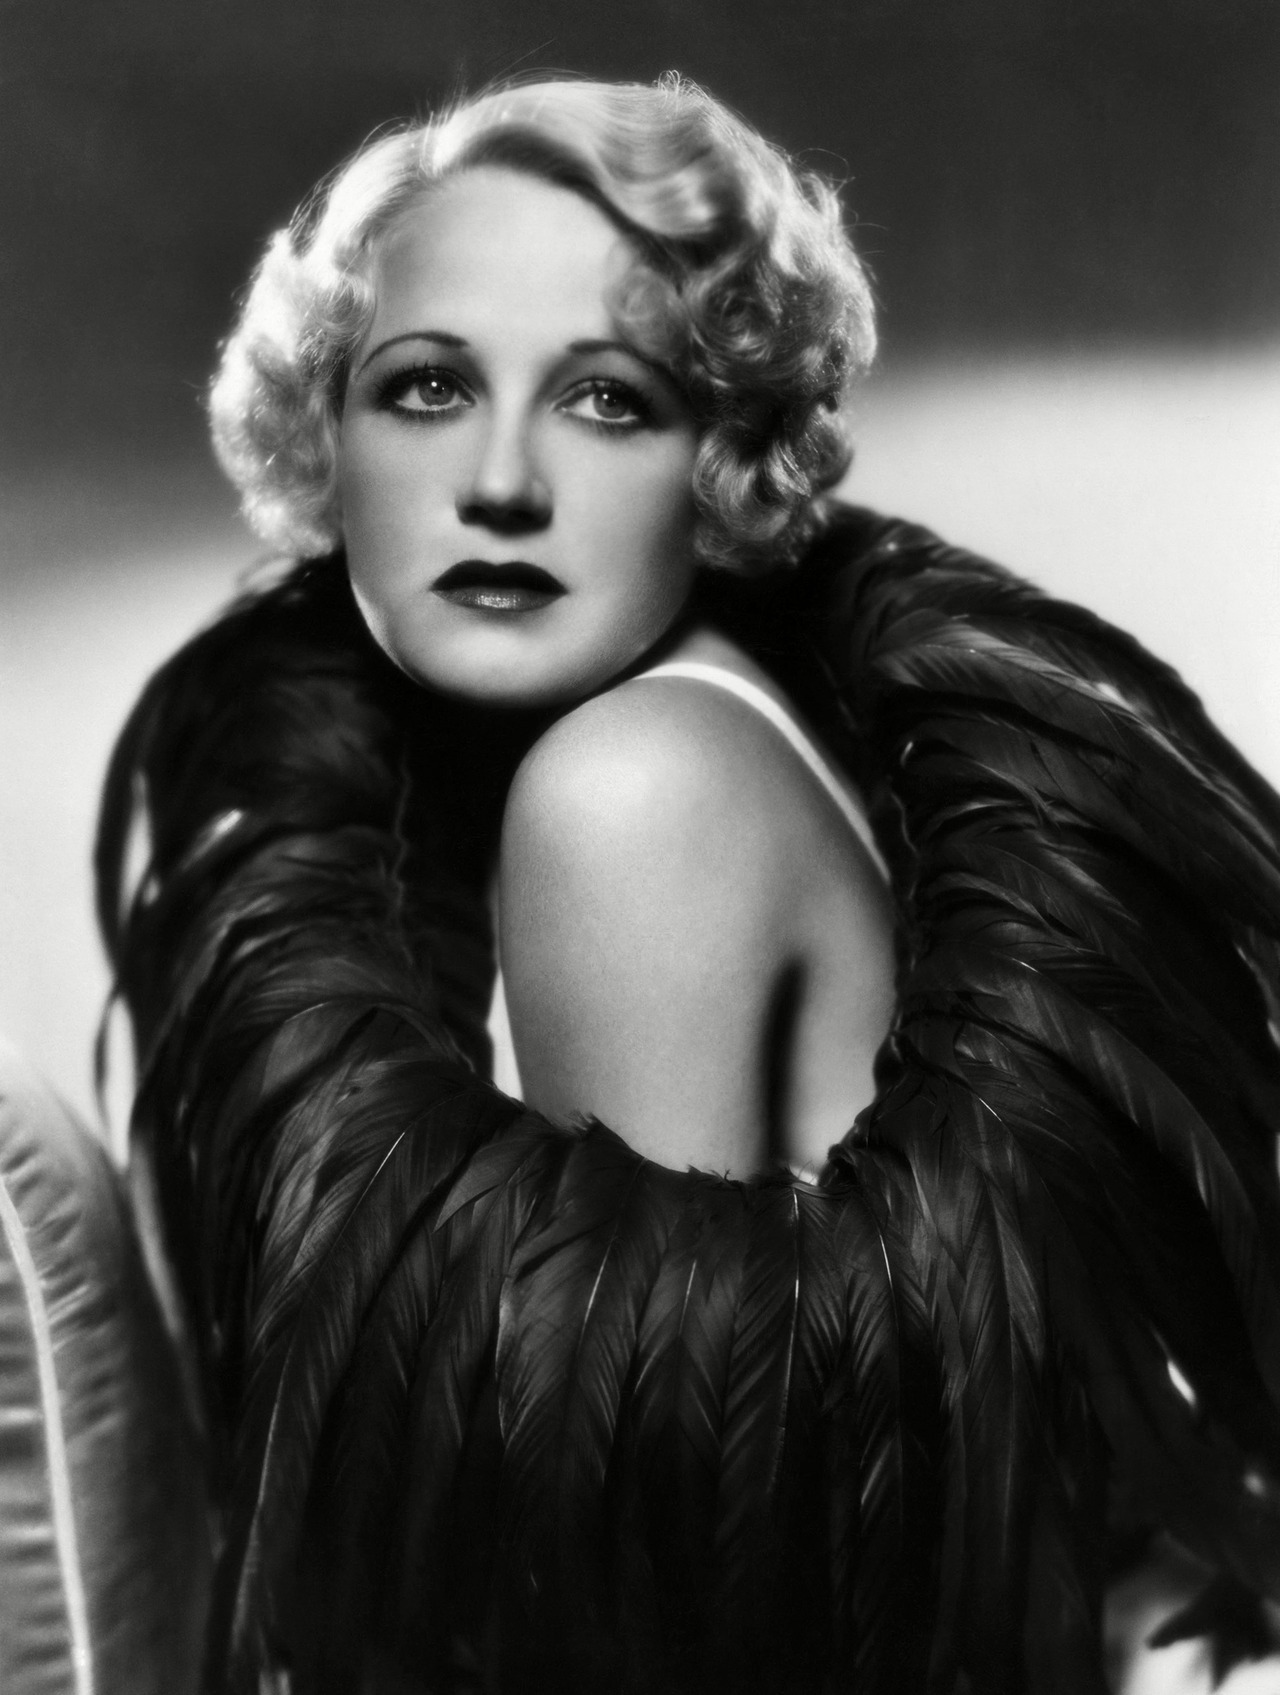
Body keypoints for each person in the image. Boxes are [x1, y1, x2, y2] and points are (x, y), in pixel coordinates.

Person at [96, 75, 1280, 1695]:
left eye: (607, 400)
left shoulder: (627, 787)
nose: (502, 480)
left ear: (722, 462)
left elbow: (666, 1602)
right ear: (326, 436)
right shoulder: (706, 726)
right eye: (428, 385)